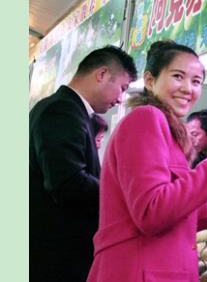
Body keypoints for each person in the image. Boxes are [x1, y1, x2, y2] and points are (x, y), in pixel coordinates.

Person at [87, 40, 207, 282]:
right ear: (149, 80)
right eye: (178, 76)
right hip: (140, 270)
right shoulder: (146, 118)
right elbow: (151, 212)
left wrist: (206, 206)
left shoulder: (168, 131)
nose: (188, 88)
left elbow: (166, 205)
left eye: (196, 81)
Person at [29, 45, 137, 282]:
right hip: (56, 256)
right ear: (102, 74)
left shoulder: (69, 110)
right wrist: (125, 194)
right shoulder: (62, 110)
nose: (120, 99)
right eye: (122, 88)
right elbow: (68, 182)